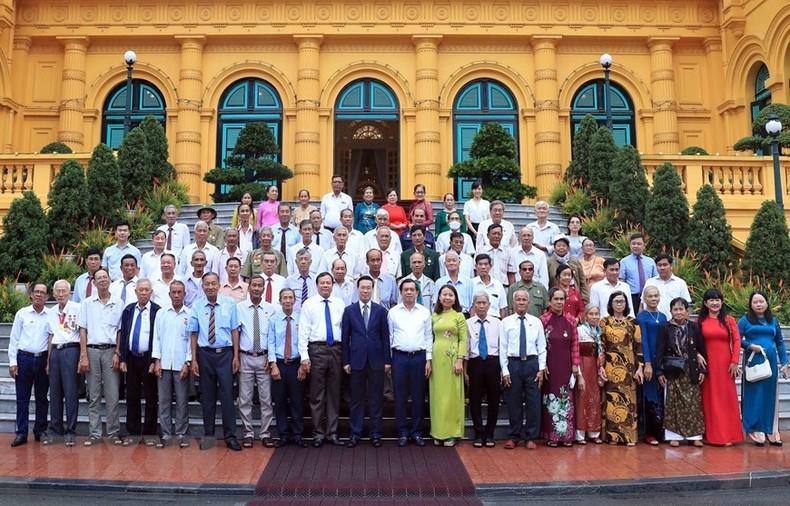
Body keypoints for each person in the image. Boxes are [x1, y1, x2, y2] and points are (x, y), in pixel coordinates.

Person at [189, 272, 242, 451]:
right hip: (205, 355)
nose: (210, 287)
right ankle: (209, 436)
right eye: (207, 284)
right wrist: (194, 359)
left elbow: (235, 330)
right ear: (202, 286)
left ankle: (230, 437)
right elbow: (194, 333)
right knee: (208, 397)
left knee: (227, 396)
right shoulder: (196, 306)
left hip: (225, 355)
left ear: (219, 285)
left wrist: (236, 356)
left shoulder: (230, 304)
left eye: (214, 283)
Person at [342, 275, 391, 447]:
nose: (365, 291)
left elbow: (386, 338)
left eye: (368, 288)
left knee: (376, 399)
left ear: (372, 290)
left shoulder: (380, 311)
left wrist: (387, 361)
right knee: (356, 399)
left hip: (377, 361)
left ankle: (376, 433)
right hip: (356, 361)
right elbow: (345, 337)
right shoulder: (349, 311)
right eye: (362, 287)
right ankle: (355, 433)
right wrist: (345, 361)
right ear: (357, 289)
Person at [77, 267, 124, 446]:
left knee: (112, 395)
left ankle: (113, 433)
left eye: (105, 277)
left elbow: (120, 331)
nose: (102, 280)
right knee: (94, 395)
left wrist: (118, 353)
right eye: (99, 278)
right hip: (92, 351)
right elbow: (83, 329)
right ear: (94, 283)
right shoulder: (87, 303)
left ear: (110, 280)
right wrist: (83, 355)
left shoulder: (118, 303)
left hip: (111, 351)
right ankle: (95, 434)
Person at [299, 272, 345, 447]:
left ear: (332, 285)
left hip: (336, 350)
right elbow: (303, 331)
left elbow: (344, 329)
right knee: (317, 395)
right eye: (322, 283)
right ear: (317, 285)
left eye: (328, 283)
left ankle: (332, 433)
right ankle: (318, 433)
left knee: (334, 394)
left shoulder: (340, 304)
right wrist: (304, 356)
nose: (325, 286)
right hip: (316, 350)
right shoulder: (309, 304)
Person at [738, 291, 789, 446]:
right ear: (751, 305)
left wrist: (785, 363)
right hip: (753, 361)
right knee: (754, 396)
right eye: (755, 302)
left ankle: (771, 431)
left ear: (767, 303)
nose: (758, 304)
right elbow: (736, 340)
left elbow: (779, 343)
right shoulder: (745, 321)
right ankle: (755, 431)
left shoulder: (773, 321)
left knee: (769, 396)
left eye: (761, 301)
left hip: (771, 362)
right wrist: (749, 345)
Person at [654, 297, 707, 447]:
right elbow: (659, 350)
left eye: (681, 309)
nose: (678, 312)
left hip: (691, 369)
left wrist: (703, 369)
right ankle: (674, 436)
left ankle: (694, 436)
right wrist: (659, 372)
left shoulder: (693, 327)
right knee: (672, 402)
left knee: (693, 402)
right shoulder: (665, 327)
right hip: (672, 369)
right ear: (670, 311)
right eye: (675, 309)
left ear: (687, 311)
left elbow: (701, 348)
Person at [388, 278, 433, 447]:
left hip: (419, 358)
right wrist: (390, 360)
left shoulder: (424, 312)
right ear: (400, 293)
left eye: (411, 289)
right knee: (399, 397)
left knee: (418, 396)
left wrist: (429, 359)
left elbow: (429, 336)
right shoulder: (393, 312)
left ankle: (416, 432)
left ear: (417, 292)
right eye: (405, 289)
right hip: (399, 357)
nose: (408, 292)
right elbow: (389, 336)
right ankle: (402, 432)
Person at [500, 289, 547, 450]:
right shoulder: (506, 322)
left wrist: (541, 368)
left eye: (523, 300)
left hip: (531, 364)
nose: (521, 302)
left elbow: (542, 347)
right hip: (513, 364)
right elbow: (503, 348)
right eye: (518, 300)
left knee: (533, 401)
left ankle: (531, 436)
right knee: (513, 401)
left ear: (529, 303)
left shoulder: (536, 322)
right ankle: (514, 436)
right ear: (513, 303)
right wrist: (505, 370)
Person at [698, 288, 743, 446]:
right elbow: (694, 341)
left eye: (717, 300)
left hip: (726, 365)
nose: (715, 302)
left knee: (725, 399)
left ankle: (729, 435)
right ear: (705, 303)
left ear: (721, 302)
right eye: (711, 300)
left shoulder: (729, 320)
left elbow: (737, 341)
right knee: (709, 399)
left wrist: (735, 361)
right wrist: (697, 354)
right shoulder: (700, 321)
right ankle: (713, 436)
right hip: (708, 365)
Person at [236, 276, 277, 448]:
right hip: (245, 356)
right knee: (244, 398)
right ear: (249, 287)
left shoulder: (271, 309)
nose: (257, 288)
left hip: (264, 358)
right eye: (254, 285)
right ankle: (248, 433)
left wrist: (272, 358)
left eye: (260, 286)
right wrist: (236, 356)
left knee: (266, 399)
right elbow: (236, 332)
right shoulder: (239, 308)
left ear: (263, 288)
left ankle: (265, 433)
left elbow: (273, 336)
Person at [118, 279, 161, 442]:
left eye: (146, 290)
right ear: (135, 291)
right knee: (132, 396)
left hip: (147, 359)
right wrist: (122, 358)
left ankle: (149, 432)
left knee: (151, 396)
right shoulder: (128, 310)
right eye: (140, 290)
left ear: (151, 292)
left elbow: (157, 337)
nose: (143, 293)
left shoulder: (157, 311)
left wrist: (154, 359)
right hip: (131, 358)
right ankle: (133, 432)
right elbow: (124, 335)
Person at [151, 280, 192, 448]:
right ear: (169, 294)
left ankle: (181, 433)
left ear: (184, 294)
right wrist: (157, 360)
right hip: (164, 363)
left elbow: (191, 340)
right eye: (173, 292)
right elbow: (156, 338)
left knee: (182, 400)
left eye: (179, 292)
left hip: (181, 364)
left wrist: (187, 362)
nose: (176, 295)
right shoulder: (161, 313)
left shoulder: (189, 314)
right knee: (165, 400)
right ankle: (167, 433)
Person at [599, 291, 644, 446]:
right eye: (616, 301)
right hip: (610, 367)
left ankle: (629, 437)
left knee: (628, 400)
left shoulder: (633, 322)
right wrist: (601, 366)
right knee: (612, 402)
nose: (619, 304)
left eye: (622, 301)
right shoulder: (604, 322)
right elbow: (601, 346)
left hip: (629, 367)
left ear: (626, 304)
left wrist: (640, 367)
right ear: (611, 304)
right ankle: (613, 437)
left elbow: (639, 346)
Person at [539, 288, 582, 447]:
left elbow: (575, 344)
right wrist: (542, 365)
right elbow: (539, 345)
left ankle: (567, 436)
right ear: (550, 301)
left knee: (566, 399)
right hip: (550, 366)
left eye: (561, 299)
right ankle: (552, 436)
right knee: (551, 399)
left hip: (566, 366)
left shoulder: (571, 320)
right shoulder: (543, 320)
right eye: (555, 299)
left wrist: (575, 364)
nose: (558, 302)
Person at [8, 284, 50, 447]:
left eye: (43, 293)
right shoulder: (22, 314)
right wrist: (12, 362)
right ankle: (21, 433)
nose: (39, 295)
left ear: (47, 297)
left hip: (42, 360)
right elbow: (14, 339)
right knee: (22, 399)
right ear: (31, 295)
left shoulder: (50, 315)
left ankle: (40, 431)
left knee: (41, 397)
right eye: (36, 292)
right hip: (24, 359)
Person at [268, 288, 307, 448]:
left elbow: (305, 341)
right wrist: (273, 365)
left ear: (295, 300)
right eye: (284, 298)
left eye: (290, 297)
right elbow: (270, 342)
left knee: (297, 401)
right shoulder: (274, 319)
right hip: (279, 364)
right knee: (280, 401)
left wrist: (303, 364)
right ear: (280, 300)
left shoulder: (301, 319)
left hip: (296, 364)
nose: (288, 301)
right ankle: (283, 434)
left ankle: (297, 434)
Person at [429, 285, 467, 446]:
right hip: (437, 361)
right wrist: (428, 360)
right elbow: (428, 337)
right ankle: (438, 433)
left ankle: (452, 433)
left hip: (452, 360)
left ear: (455, 298)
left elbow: (464, 340)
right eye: (444, 294)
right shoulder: (434, 316)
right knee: (437, 397)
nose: (447, 297)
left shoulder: (459, 316)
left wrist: (460, 359)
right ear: (439, 297)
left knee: (452, 396)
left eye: (450, 295)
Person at [45, 280, 81, 446]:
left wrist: (82, 356)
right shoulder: (51, 312)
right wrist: (48, 360)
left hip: (71, 350)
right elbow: (51, 336)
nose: (60, 294)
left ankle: (71, 431)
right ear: (53, 294)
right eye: (57, 291)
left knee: (71, 391)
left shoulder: (77, 308)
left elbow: (82, 332)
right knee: (55, 392)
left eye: (63, 291)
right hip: (56, 352)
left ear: (69, 292)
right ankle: (55, 429)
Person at [466, 292, 502, 447]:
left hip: (493, 362)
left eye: (484, 303)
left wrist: (502, 369)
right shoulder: (467, 323)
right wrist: (466, 370)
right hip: (475, 363)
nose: (481, 306)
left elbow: (503, 346)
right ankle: (479, 433)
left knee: (494, 399)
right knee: (475, 399)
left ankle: (490, 433)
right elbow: (465, 348)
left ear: (489, 305)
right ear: (474, 305)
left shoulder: (498, 323)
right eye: (478, 303)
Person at [635, 286, 667, 446]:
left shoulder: (663, 316)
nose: (653, 299)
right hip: (649, 362)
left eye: (656, 296)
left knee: (661, 396)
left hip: (661, 361)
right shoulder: (641, 317)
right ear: (645, 299)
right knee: (649, 396)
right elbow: (644, 341)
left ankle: (660, 430)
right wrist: (647, 363)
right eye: (650, 296)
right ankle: (648, 432)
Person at [575, 304, 603, 445]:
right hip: (583, 366)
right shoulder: (580, 330)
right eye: (591, 314)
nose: (594, 317)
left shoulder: (599, 332)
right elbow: (575, 352)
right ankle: (580, 433)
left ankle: (594, 432)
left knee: (595, 397)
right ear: (585, 316)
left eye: (597, 314)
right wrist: (578, 372)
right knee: (582, 397)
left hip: (595, 367)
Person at [619, 233, 657, 313]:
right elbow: (621, 281)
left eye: (639, 244)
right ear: (630, 245)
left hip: (648, 297)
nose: (636, 246)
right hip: (632, 297)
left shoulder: (650, 261)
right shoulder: (624, 262)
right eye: (633, 243)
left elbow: (655, 279)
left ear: (644, 245)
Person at [547, 234, 588, 302]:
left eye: (564, 246)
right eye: (559, 246)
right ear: (554, 248)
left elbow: (582, 281)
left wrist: (584, 299)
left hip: (575, 299)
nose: (561, 248)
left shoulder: (575, 261)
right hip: (556, 300)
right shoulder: (549, 262)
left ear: (568, 248)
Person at [471, 254, 508, 319]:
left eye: (486, 264)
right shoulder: (471, 284)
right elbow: (471, 307)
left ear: (490, 266)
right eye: (480, 264)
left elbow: (502, 308)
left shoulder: (498, 285)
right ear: (476, 266)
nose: (483, 267)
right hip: (477, 319)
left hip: (495, 319)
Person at [284, 248, 318, 313]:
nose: (303, 262)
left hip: (313, 314)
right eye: (300, 259)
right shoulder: (289, 280)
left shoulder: (316, 279)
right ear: (296, 262)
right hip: (295, 315)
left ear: (310, 262)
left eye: (306, 259)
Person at [476, 223, 509, 287]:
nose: (496, 236)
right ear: (488, 235)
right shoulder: (480, 251)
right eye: (493, 234)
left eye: (499, 234)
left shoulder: (507, 252)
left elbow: (510, 273)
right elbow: (476, 270)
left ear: (502, 236)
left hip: (503, 286)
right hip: (484, 286)